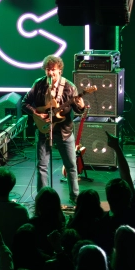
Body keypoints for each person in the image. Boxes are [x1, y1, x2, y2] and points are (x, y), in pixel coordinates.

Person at [22, 55, 86, 204]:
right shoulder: (39, 85)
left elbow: (78, 110)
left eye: (54, 70)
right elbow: (25, 103)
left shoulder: (69, 87)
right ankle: (42, 198)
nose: (51, 73)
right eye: (48, 70)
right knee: (42, 166)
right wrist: (36, 113)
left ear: (60, 70)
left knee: (71, 165)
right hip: (44, 129)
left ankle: (75, 198)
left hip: (64, 131)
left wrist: (82, 106)